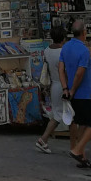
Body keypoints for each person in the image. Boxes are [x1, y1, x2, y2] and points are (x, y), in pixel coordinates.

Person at [59, 17, 91, 168]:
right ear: (84, 32)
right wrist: (74, 88)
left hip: (72, 93)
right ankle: (77, 150)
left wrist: (66, 88)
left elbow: (60, 69)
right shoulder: (84, 50)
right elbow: (80, 73)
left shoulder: (66, 47)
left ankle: (82, 156)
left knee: (81, 123)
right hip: (84, 93)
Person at [35, 21, 68, 153]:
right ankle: (43, 139)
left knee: (57, 113)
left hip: (54, 84)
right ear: (63, 38)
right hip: (62, 85)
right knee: (58, 115)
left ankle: (44, 139)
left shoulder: (47, 51)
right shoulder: (63, 52)